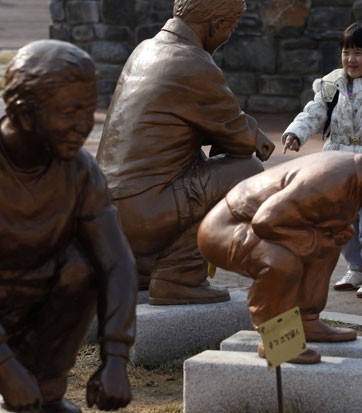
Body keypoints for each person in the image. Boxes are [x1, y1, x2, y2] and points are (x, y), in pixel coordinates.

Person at [95, 0, 276, 306]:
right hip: (143, 213)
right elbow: (243, 141)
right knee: (249, 173)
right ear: (216, 25)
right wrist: (256, 138)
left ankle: (143, 267)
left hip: (108, 216)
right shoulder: (193, 62)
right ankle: (178, 275)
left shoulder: (145, 49)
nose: (229, 35)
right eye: (230, 27)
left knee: (195, 164)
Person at [198, 147, 362, 362]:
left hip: (262, 224)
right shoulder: (331, 181)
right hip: (227, 228)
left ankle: (307, 319)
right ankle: (277, 339)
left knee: (327, 246)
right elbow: (266, 222)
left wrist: (329, 236)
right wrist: (317, 238)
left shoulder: (358, 180)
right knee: (281, 263)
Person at [0, 40, 136, 413]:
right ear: (24, 114)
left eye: (88, 108)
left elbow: (117, 262)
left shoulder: (78, 170)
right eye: (69, 112)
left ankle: (46, 390)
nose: (84, 125)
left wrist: (116, 358)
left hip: (28, 303)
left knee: (82, 266)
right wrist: (6, 368)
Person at [281, 22, 362, 298]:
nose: (350, 59)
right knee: (342, 222)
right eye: (346, 52)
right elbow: (313, 112)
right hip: (338, 165)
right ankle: (354, 269)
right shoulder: (332, 85)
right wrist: (296, 133)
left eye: (358, 53)